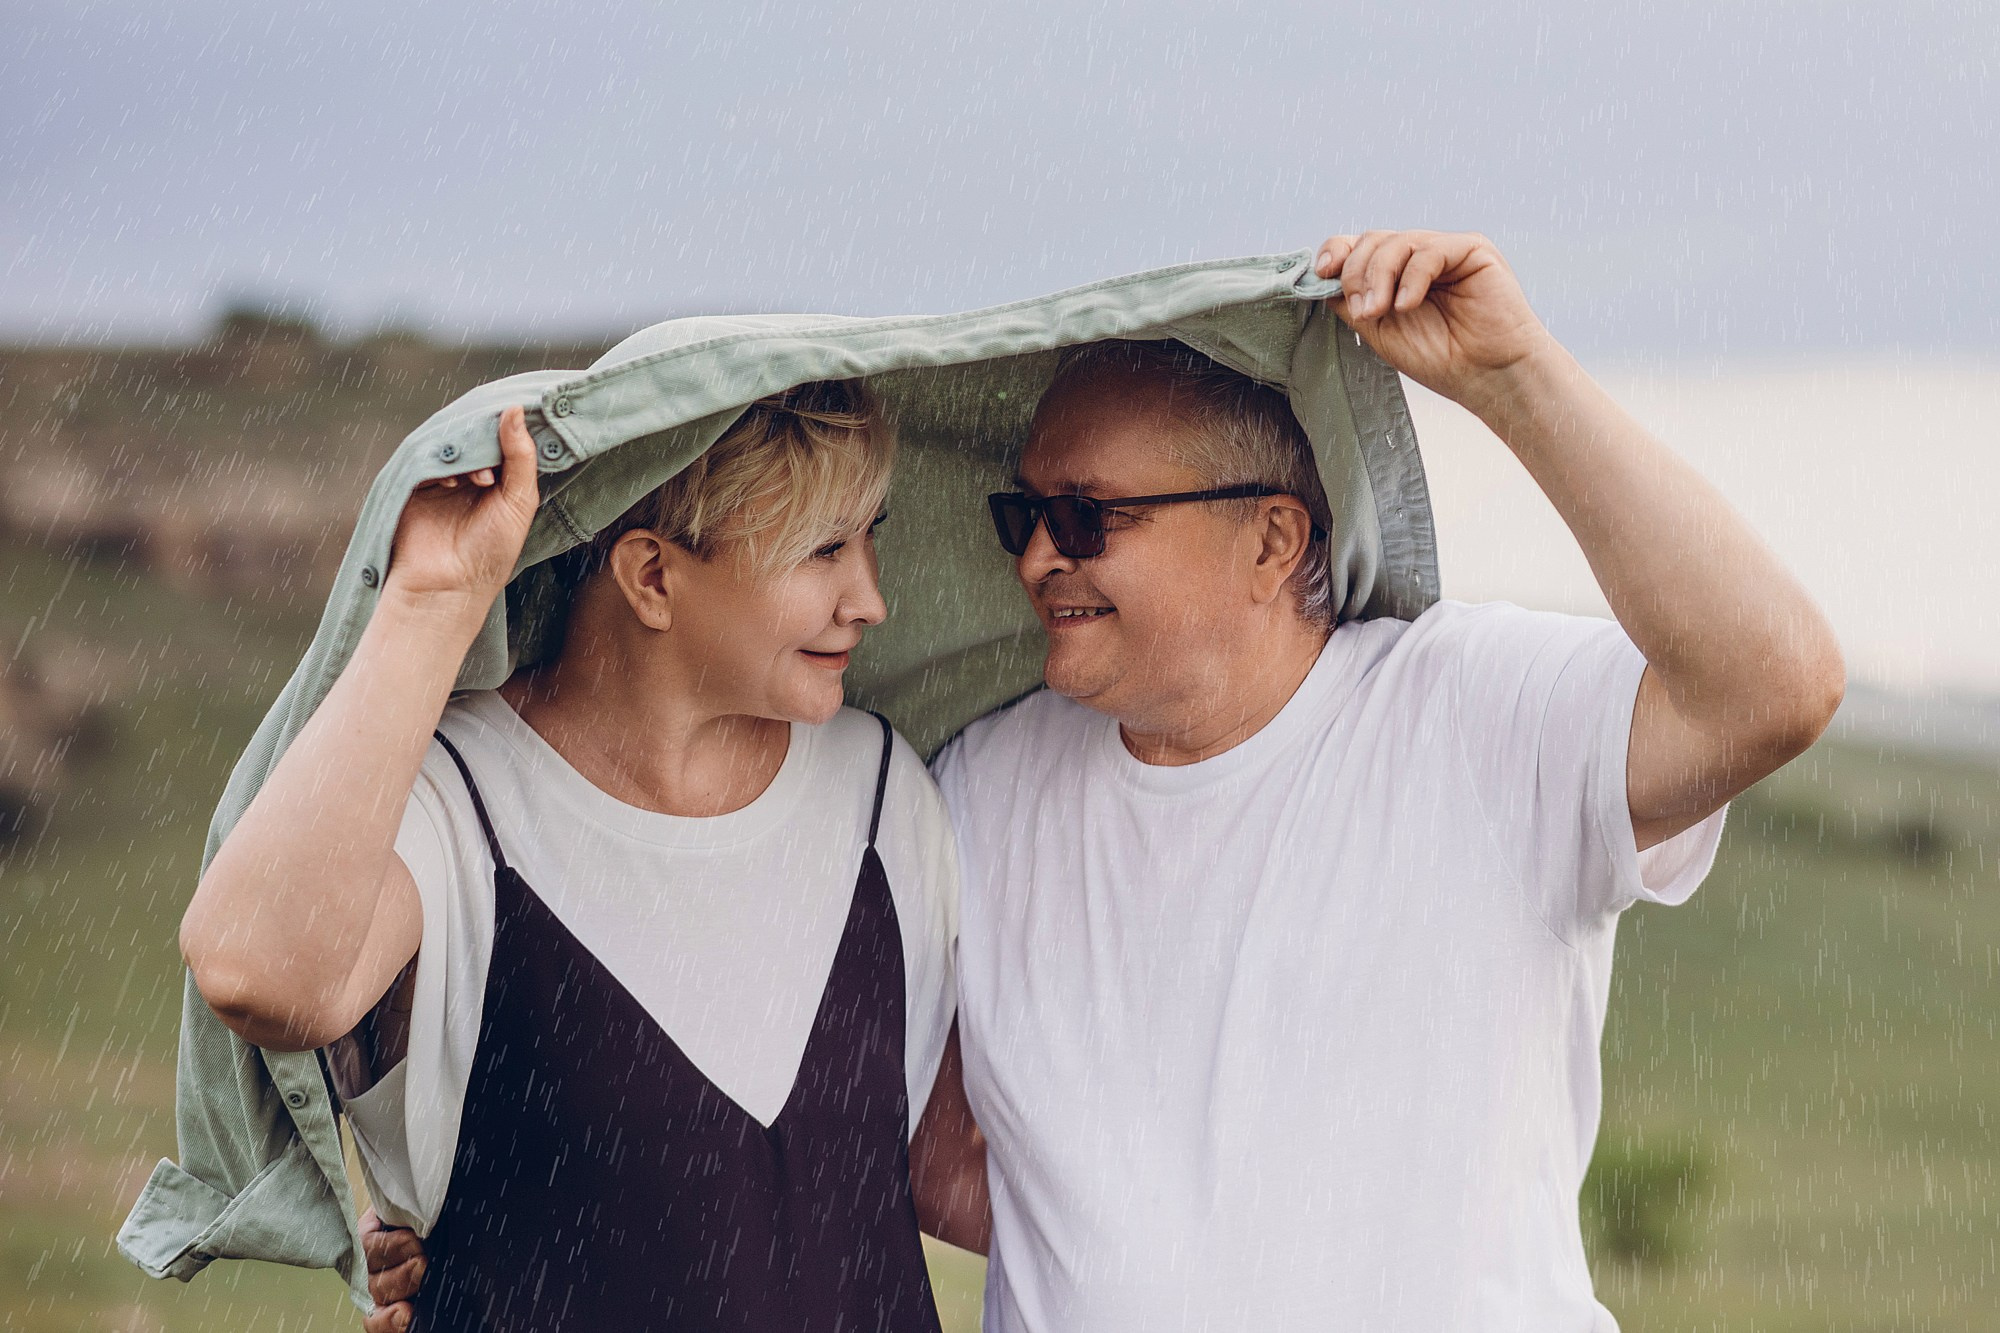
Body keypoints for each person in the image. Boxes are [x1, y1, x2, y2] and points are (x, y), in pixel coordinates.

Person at [367, 229, 1845, 1330]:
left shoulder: (1476, 713)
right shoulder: (977, 790)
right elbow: (893, 1138)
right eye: (1022, 513)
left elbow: (1776, 685)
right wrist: (525, 1228)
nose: (1031, 559)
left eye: (1088, 516)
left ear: (1274, 542)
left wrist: (1515, 381)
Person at [180, 383, 964, 1332]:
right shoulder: (453, 796)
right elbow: (254, 972)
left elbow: (940, 1161)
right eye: (826, 548)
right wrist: (433, 600)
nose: (870, 598)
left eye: (869, 535)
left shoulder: (883, 788)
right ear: (652, 576)